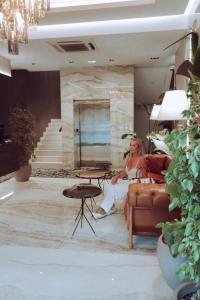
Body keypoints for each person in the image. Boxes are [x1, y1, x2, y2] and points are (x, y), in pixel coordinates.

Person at [92, 137, 149, 219]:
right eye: (130, 145)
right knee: (111, 183)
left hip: (136, 185)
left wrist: (140, 186)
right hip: (129, 182)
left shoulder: (141, 159)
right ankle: (111, 206)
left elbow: (145, 177)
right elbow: (124, 172)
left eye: (134, 145)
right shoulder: (130, 158)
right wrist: (116, 177)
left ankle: (103, 210)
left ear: (138, 147)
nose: (131, 147)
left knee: (114, 188)